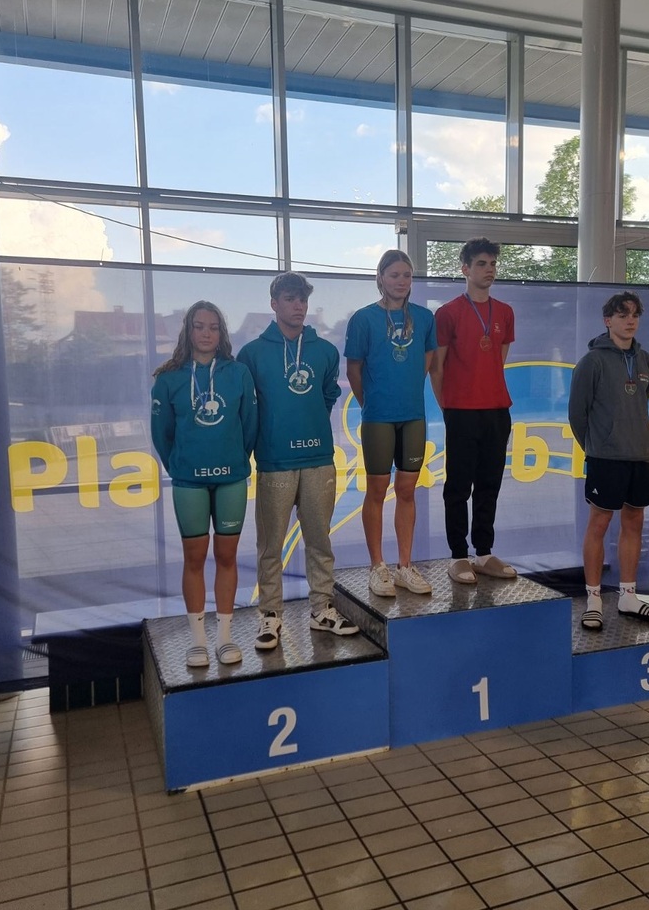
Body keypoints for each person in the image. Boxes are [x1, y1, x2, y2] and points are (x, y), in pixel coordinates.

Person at [238, 271, 358, 651]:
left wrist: (309, 423)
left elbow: (327, 395)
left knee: (320, 541)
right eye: (290, 299)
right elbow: (247, 406)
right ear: (274, 304)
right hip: (275, 461)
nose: (298, 306)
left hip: (319, 459)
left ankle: (322, 609)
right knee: (270, 545)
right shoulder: (252, 354)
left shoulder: (325, 352)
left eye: (303, 299)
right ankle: (270, 615)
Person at [151, 301, 257, 668]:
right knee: (194, 558)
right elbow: (162, 434)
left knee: (227, 557)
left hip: (231, 480)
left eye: (213, 327)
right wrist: (182, 466)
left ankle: (224, 637)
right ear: (188, 331)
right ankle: (197, 641)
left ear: (222, 333)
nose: (207, 333)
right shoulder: (168, 378)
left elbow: (250, 425)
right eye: (199, 326)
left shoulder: (238, 373)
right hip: (189, 483)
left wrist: (235, 459)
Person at [568, 290, 649, 630]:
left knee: (634, 521)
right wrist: (598, 446)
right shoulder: (592, 362)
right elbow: (577, 414)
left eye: (635, 315)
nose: (630, 321)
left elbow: (640, 404)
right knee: (599, 523)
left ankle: (628, 596)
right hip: (605, 457)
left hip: (639, 455)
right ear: (607, 320)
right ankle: (593, 599)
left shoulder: (646, 360)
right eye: (623, 315)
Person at [344, 249, 437, 597]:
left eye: (407, 275)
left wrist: (406, 392)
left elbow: (427, 359)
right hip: (378, 418)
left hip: (413, 416)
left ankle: (404, 566)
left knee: (408, 490)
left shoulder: (424, 318)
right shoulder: (363, 318)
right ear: (380, 278)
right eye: (394, 275)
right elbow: (354, 370)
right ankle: (377, 566)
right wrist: (372, 403)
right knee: (378, 490)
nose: (401, 281)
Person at [430, 237, 517, 584]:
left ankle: (483, 552)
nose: (489, 270)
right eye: (482, 264)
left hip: (496, 410)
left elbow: (498, 359)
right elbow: (437, 367)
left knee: (489, 484)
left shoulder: (505, 312)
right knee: (458, 486)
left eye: (493, 264)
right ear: (465, 269)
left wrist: (485, 390)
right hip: (461, 411)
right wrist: (449, 407)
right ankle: (458, 555)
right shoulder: (447, 313)